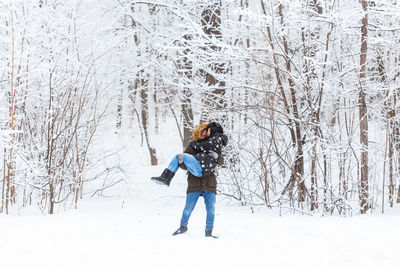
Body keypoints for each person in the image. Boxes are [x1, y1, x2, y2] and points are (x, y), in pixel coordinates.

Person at [151, 122, 227, 237]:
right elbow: (183, 164)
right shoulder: (192, 147)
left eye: (206, 131)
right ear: (198, 133)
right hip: (194, 183)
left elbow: (221, 162)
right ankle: (183, 227)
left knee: (211, 209)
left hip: (209, 183)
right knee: (188, 208)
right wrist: (188, 163)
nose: (204, 133)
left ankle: (208, 232)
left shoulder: (212, 144)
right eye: (202, 132)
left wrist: (218, 157)